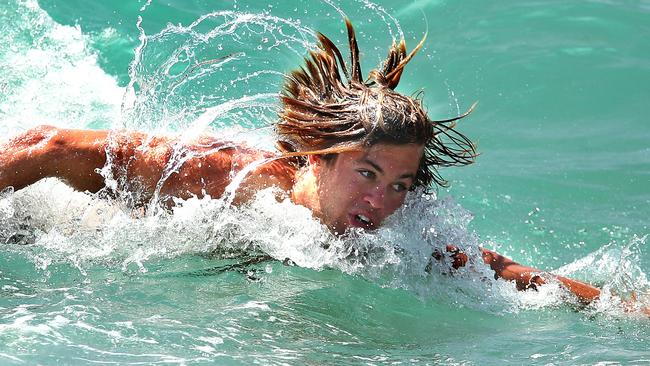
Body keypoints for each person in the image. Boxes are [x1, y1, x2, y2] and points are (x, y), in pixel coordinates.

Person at [0, 20, 635, 310]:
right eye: (367, 174)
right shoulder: (223, 177)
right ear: (315, 156)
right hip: (66, 223)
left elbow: (502, 272)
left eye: (400, 184)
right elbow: (47, 147)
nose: (382, 202)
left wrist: (622, 307)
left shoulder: (402, 229)